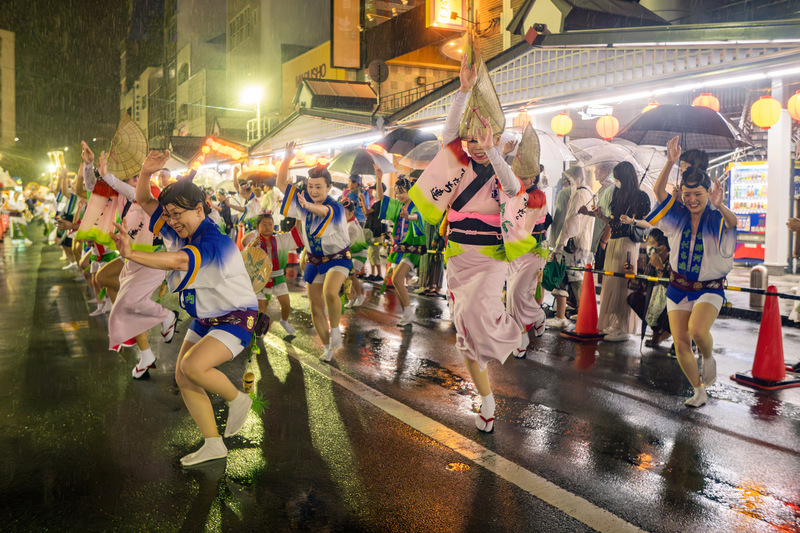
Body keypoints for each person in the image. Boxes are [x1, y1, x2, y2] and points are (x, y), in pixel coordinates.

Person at [409, 54, 537, 432]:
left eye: (485, 139)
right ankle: (487, 400)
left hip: (490, 258)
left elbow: (514, 189)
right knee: (464, 335)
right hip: (458, 256)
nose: (477, 145)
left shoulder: (502, 169)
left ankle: (512, 332)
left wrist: (493, 152)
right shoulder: (456, 162)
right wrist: (462, 92)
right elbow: (449, 135)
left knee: (475, 316)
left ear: (497, 138)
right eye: (472, 140)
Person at [113, 149, 259, 465]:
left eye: (178, 213)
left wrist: (132, 254)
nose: (171, 220)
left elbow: (181, 260)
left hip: (236, 317)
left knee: (193, 366)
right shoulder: (176, 226)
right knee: (183, 376)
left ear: (199, 209)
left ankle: (239, 399)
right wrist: (145, 173)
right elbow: (145, 201)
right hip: (205, 318)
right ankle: (213, 443)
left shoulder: (213, 241)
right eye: (168, 214)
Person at [646, 136, 737, 407]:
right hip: (678, 286)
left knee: (698, 331)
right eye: (688, 195)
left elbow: (733, 225)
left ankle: (708, 356)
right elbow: (658, 191)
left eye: (698, 194)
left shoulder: (715, 214)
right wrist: (669, 162)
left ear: (707, 191)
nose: (692, 199)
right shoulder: (678, 213)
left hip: (709, 288)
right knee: (681, 342)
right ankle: (698, 390)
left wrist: (719, 204)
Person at [87, 143, 179, 374]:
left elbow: (138, 196)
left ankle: (167, 315)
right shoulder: (117, 192)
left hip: (155, 258)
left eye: (137, 175)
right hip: (133, 257)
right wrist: (89, 165)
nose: (135, 180)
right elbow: (91, 188)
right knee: (105, 277)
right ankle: (146, 354)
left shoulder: (153, 191)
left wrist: (109, 176)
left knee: (129, 302)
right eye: (129, 176)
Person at [278, 142, 351, 362]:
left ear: (329, 188)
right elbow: (281, 184)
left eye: (318, 187)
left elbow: (323, 211)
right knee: (315, 305)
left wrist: (307, 205)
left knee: (330, 292)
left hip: (338, 259)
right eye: (310, 186)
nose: (313, 191)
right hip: (314, 260)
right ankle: (328, 347)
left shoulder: (336, 207)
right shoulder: (304, 201)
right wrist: (287, 158)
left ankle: (336, 328)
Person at [588, 161, 652, 342]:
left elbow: (648, 223)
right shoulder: (616, 194)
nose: (615, 180)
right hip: (614, 243)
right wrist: (600, 215)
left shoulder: (641, 197)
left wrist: (632, 222)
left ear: (625, 177)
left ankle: (623, 327)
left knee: (623, 285)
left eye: (617, 177)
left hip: (628, 244)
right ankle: (612, 324)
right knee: (611, 284)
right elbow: (613, 223)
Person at [504, 126, 549, 357]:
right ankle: (522, 336)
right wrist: (502, 155)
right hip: (512, 252)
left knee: (517, 295)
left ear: (535, 176)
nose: (522, 179)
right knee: (512, 298)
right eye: (519, 175)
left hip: (532, 252)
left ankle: (536, 318)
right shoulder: (511, 191)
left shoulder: (538, 196)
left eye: (527, 175)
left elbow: (527, 218)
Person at [546, 166, 595, 330]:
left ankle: (567, 316)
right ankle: (582, 314)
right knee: (576, 278)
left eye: (569, 179)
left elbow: (571, 222)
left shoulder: (579, 193)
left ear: (575, 178)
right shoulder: (589, 192)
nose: (568, 183)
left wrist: (559, 245)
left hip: (572, 245)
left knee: (569, 279)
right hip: (583, 243)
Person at [376, 171, 425, 327]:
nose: (398, 196)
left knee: (397, 279)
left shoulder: (417, 205)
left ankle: (408, 313)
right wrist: (378, 179)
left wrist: (408, 216)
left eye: (402, 192)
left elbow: (418, 217)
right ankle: (407, 312)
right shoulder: (397, 206)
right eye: (397, 193)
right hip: (400, 249)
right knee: (398, 281)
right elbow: (382, 200)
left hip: (413, 250)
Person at [247, 211, 303, 334]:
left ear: (274, 226)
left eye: (270, 224)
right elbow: (246, 257)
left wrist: (298, 216)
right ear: (258, 227)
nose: (267, 227)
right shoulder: (254, 242)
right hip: (260, 279)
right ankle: (259, 329)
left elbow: (295, 232)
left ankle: (284, 321)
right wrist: (251, 246)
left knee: (286, 304)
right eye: (264, 224)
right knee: (262, 305)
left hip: (278, 276)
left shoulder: (281, 239)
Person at [621, 226, 672, 347]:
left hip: (670, 306)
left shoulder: (674, 262)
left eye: (652, 243)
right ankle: (658, 331)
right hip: (656, 303)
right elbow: (643, 286)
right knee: (634, 298)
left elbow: (672, 289)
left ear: (663, 247)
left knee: (666, 309)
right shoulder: (652, 262)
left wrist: (660, 268)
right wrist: (632, 275)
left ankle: (671, 331)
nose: (649, 247)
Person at [342, 199, 368, 308]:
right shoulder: (349, 221)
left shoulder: (351, 226)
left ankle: (359, 296)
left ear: (351, 213)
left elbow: (345, 243)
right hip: (351, 252)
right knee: (346, 276)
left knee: (351, 275)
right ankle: (351, 299)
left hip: (360, 253)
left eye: (343, 213)